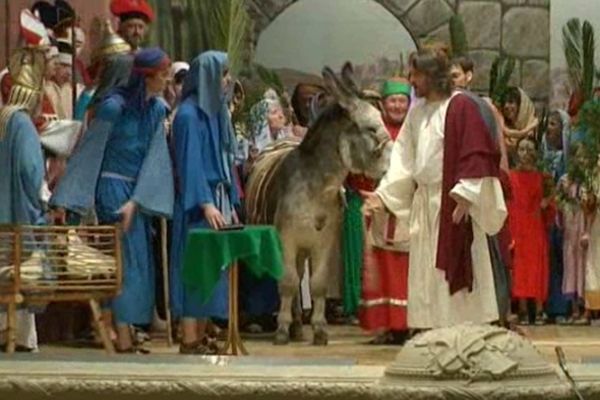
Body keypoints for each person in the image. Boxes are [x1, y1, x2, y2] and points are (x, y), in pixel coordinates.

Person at [363, 44, 507, 329]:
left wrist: (467, 195)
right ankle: (435, 332)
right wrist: (383, 195)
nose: (412, 81)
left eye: (415, 75)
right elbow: (403, 159)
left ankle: (465, 333)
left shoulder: (461, 106)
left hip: (452, 204)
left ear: (431, 75)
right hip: (425, 204)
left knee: (455, 275)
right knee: (428, 276)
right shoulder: (418, 115)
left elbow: (477, 153)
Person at [50, 48, 174, 353]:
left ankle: (123, 327)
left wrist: (139, 200)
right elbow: (90, 153)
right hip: (112, 188)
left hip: (138, 194)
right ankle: (122, 335)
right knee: (125, 262)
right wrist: (67, 198)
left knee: (139, 265)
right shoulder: (112, 108)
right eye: (162, 75)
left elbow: (157, 158)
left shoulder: (157, 108)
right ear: (146, 76)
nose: (167, 80)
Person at [170, 51, 238, 354]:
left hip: (216, 199)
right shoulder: (187, 115)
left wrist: (230, 201)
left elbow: (225, 159)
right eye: (222, 74)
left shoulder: (214, 112)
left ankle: (201, 331)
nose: (227, 81)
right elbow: (190, 165)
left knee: (211, 269)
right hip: (197, 205)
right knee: (194, 268)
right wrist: (205, 202)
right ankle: (189, 337)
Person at [356, 78, 411, 344]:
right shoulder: (374, 133)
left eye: (402, 100)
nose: (398, 106)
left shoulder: (414, 132)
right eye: (393, 101)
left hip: (407, 211)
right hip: (378, 211)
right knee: (381, 267)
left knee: (404, 268)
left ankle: (405, 323)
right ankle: (385, 325)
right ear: (383, 104)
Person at [0, 47, 46, 352]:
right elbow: (32, 172)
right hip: (20, 212)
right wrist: (41, 202)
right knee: (25, 267)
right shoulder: (24, 126)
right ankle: (21, 338)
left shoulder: (3, 120)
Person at [508, 137, 553, 325]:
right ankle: (524, 310)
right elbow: (508, 205)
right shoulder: (510, 177)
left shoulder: (543, 177)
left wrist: (547, 204)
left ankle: (540, 309)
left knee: (537, 268)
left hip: (535, 228)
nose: (525, 154)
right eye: (522, 149)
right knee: (520, 269)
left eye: (529, 150)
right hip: (517, 227)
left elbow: (550, 204)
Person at [542, 110, 572, 322]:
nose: (549, 128)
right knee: (550, 259)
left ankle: (565, 306)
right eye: (548, 124)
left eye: (554, 124)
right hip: (546, 215)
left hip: (564, 213)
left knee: (564, 259)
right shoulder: (544, 155)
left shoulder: (567, 159)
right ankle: (549, 305)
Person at [502, 87, 539, 162]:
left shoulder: (535, 129)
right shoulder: (503, 130)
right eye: (504, 103)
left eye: (511, 102)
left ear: (521, 105)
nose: (506, 106)